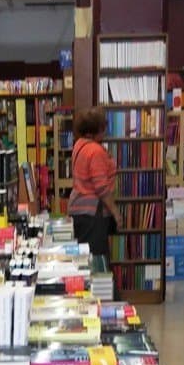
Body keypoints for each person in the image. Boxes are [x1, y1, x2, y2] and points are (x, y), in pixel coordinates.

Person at [67, 105, 121, 258]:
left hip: (79, 210)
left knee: (84, 256)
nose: (105, 132)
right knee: (96, 259)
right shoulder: (95, 151)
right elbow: (102, 188)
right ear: (96, 129)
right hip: (92, 214)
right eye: (103, 128)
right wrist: (116, 213)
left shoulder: (79, 145)